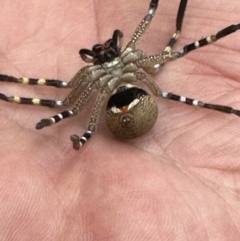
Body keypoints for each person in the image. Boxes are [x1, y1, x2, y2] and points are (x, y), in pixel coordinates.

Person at [0, 0, 240, 239]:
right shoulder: (105, 71)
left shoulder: (98, 74)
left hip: (129, 109)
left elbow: (64, 101)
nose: (104, 51)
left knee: (175, 57)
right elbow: (65, 101)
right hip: (126, 112)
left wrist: (74, 126)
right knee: (175, 67)